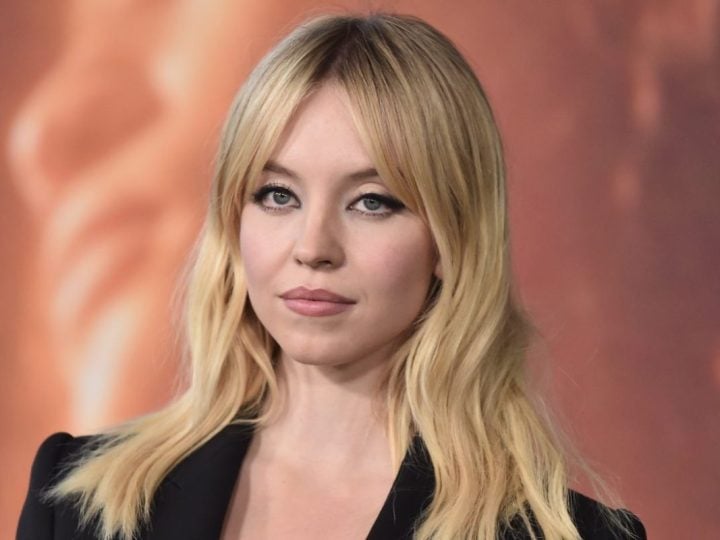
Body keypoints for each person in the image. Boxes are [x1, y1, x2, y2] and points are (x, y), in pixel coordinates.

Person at [17, 13, 646, 540]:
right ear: (233, 219)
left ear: (452, 239)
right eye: (278, 195)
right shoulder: (75, 502)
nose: (313, 247)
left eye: (372, 201)